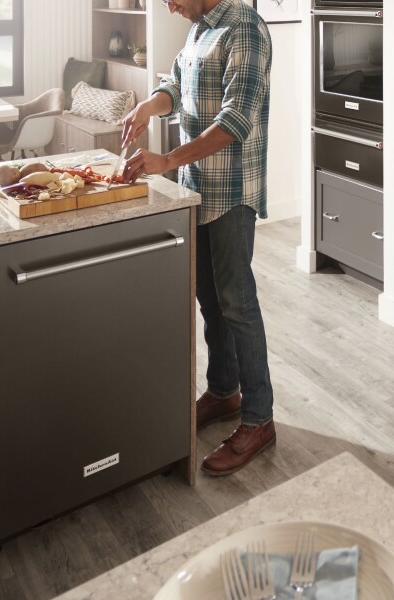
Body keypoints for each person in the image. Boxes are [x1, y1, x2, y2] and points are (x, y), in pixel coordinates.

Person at [120, 0, 275, 477]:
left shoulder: (245, 28)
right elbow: (177, 83)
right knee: (208, 295)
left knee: (237, 301)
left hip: (230, 191)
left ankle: (259, 418)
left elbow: (235, 121)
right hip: (195, 189)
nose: (169, 7)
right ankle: (224, 390)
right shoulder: (200, 30)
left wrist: (166, 160)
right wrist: (151, 103)